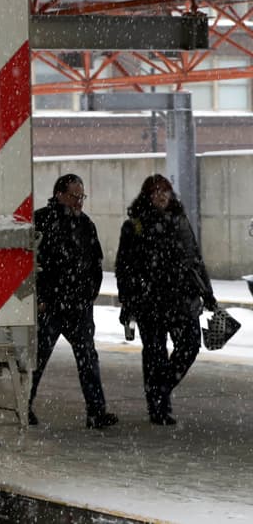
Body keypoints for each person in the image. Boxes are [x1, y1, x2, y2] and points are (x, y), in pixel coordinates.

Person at [115, 174, 217, 425]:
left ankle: (160, 389)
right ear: (147, 196)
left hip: (182, 298)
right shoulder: (135, 226)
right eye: (155, 191)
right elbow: (124, 268)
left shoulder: (180, 221)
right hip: (149, 301)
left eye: (165, 191)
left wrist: (207, 292)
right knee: (154, 354)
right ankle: (158, 408)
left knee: (190, 346)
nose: (161, 196)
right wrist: (127, 302)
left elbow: (195, 260)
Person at [28, 174, 118, 429]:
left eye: (82, 196)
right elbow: (31, 264)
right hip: (50, 306)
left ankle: (96, 411)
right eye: (74, 196)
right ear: (60, 195)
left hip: (78, 306)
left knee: (88, 358)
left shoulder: (86, 224)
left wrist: (89, 294)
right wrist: (41, 299)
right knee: (38, 359)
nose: (79, 201)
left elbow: (95, 263)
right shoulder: (41, 221)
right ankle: (24, 405)